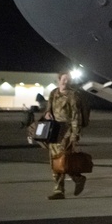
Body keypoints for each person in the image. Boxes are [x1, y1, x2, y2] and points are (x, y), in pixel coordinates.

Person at [44, 70, 88, 200]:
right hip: (54, 131)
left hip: (66, 132)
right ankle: (73, 181)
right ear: (59, 79)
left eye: (68, 79)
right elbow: (48, 108)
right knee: (54, 161)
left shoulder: (73, 96)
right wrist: (47, 113)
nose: (66, 81)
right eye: (64, 79)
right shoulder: (53, 93)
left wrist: (75, 135)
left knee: (62, 160)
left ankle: (62, 188)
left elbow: (76, 117)